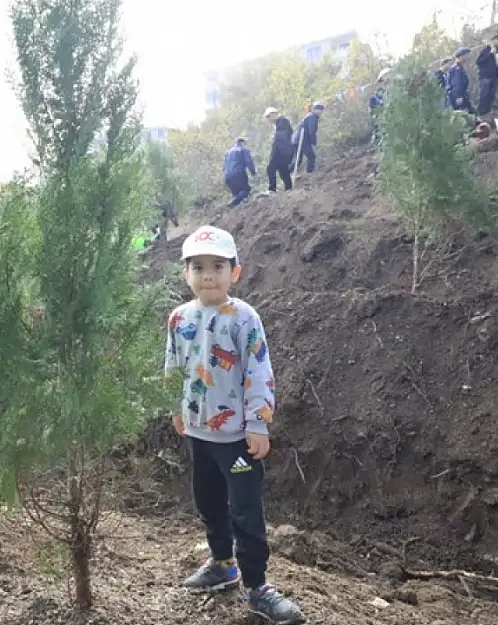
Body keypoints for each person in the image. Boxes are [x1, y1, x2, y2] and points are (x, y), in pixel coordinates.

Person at [165, 226, 305, 625]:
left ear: (235, 273)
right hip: (198, 432)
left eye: (217, 266)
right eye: (198, 267)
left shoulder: (244, 318)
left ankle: (256, 586)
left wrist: (258, 424)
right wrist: (175, 406)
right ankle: (222, 565)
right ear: (185, 274)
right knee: (209, 503)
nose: (208, 275)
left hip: (237, 438)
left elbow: (259, 371)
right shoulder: (179, 318)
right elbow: (172, 366)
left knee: (245, 511)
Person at [476, 34, 498, 115]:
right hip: (485, 77)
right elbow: (479, 62)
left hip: (495, 77)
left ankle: (489, 112)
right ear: (493, 41)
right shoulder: (485, 51)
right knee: (484, 95)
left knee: (491, 95)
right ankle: (481, 113)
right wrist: (490, 54)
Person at [223, 137, 257, 207]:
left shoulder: (228, 152)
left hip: (227, 176)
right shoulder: (243, 150)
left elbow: (224, 167)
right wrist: (253, 172)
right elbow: (248, 161)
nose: (245, 145)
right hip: (238, 174)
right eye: (245, 143)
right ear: (242, 143)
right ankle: (232, 203)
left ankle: (238, 208)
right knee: (246, 190)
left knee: (237, 195)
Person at [292, 102, 324, 174]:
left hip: (297, 139)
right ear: (315, 109)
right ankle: (310, 173)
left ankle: (288, 172)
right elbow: (311, 131)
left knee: (298, 160)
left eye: (322, 110)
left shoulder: (311, 116)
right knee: (311, 157)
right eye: (319, 109)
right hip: (301, 140)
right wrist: (314, 142)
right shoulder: (312, 117)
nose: (321, 112)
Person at [448, 48, 474, 113]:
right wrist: (458, 97)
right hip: (458, 97)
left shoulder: (459, 67)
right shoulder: (457, 68)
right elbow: (457, 84)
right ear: (461, 56)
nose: (468, 56)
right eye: (467, 55)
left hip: (462, 95)